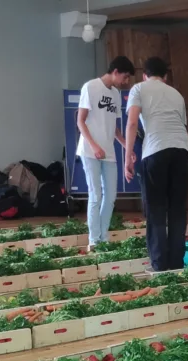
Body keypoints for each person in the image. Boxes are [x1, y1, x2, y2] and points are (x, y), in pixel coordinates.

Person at [124, 56, 188, 271]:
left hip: (155, 151)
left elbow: (132, 123)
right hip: (181, 151)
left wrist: (128, 157)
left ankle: (159, 264)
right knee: (177, 209)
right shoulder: (177, 94)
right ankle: (177, 263)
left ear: (144, 75)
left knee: (156, 209)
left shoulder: (138, 88)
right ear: (165, 76)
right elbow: (182, 125)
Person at [77, 56, 136, 247]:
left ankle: (103, 236)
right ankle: (94, 240)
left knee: (110, 197)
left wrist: (126, 145)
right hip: (90, 151)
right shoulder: (90, 87)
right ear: (115, 72)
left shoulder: (116, 94)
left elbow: (115, 128)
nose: (125, 81)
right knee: (95, 195)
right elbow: (80, 121)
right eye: (125, 77)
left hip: (109, 152)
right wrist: (94, 146)